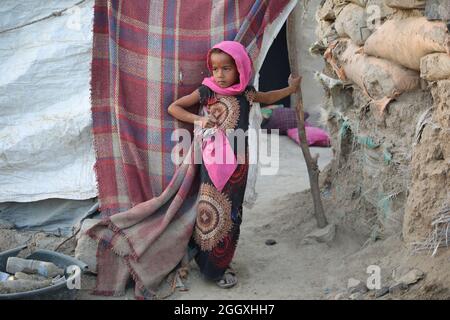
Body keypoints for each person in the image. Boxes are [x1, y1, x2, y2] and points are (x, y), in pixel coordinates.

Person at [168, 41, 301, 289]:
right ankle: (206, 263)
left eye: (226, 68)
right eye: (215, 69)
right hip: (214, 162)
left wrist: (290, 89)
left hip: (239, 163)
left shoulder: (246, 93)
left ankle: (221, 264)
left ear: (239, 68)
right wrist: (199, 118)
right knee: (209, 210)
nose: (219, 74)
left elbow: (269, 96)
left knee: (232, 213)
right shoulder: (207, 91)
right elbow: (174, 107)